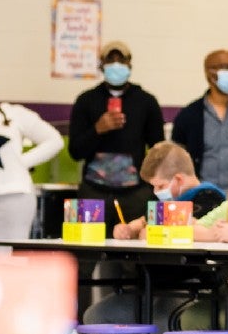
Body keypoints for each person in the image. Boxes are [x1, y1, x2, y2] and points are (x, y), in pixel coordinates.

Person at [82, 141, 227, 334]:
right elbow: (146, 222)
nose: (156, 192)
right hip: (150, 289)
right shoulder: (165, 200)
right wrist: (129, 229)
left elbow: (192, 233)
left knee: (166, 324)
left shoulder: (210, 200)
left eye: (159, 186)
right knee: (96, 319)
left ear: (178, 179)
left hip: (190, 290)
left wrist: (148, 230)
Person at [68, 40, 165, 237]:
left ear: (130, 64)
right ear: (101, 65)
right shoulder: (86, 100)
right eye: (110, 60)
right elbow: (75, 152)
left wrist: (154, 189)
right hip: (93, 192)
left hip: (136, 193)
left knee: (133, 259)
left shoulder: (146, 101)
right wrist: (97, 129)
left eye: (121, 59)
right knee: (85, 253)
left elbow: (159, 150)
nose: (116, 64)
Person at [172, 49, 228, 193]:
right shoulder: (188, 115)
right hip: (199, 195)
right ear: (209, 73)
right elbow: (177, 162)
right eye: (225, 67)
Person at [0, 78, 64, 238]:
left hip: (14, 197)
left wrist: (21, 162)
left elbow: (54, 140)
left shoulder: (13, 113)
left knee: (9, 257)